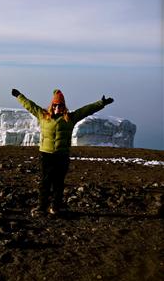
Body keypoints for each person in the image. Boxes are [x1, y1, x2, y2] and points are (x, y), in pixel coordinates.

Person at [11, 88, 114, 217]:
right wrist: (19, 96)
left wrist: (101, 103)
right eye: (55, 105)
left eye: (60, 105)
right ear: (52, 105)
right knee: (45, 182)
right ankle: (42, 207)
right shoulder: (43, 115)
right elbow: (29, 105)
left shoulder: (69, 118)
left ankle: (55, 208)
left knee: (58, 183)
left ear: (63, 106)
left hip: (62, 155)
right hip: (46, 154)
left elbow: (86, 110)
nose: (57, 108)